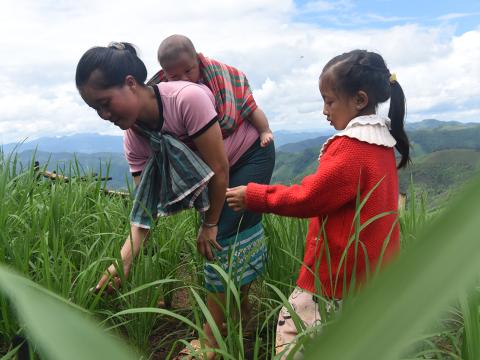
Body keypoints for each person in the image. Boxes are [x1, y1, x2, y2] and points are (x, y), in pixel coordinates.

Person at [75, 42, 275, 358]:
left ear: (130, 83)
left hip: (249, 156)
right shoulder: (136, 138)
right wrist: (123, 262)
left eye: (106, 103)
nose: (104, 115)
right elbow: (145, 206)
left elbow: (220, 168)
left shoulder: (186, 98)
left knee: (219, 238)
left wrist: (209, 223)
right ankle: (241, 315)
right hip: (216, 170)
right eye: (95, 109)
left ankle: (211, 340)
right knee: (229, 237)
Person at [226, 49, 410, 358]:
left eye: (329, 100)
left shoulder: (352, 149)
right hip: (368, 277)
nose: (325, 110)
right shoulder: (382, 146)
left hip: (332, 277)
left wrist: (253, 196)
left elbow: (308, 197)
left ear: (360, 100)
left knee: (292, 335)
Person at [151, 34, 274, 147]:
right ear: (166, 75)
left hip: (230, 110)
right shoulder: (167, 93)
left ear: (197, 61)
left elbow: (228, 84)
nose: (184, 79)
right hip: (208, 131)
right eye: (175, 77)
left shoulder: (211, 74)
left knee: (250, 108)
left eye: (188, 71)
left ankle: (264, 130)